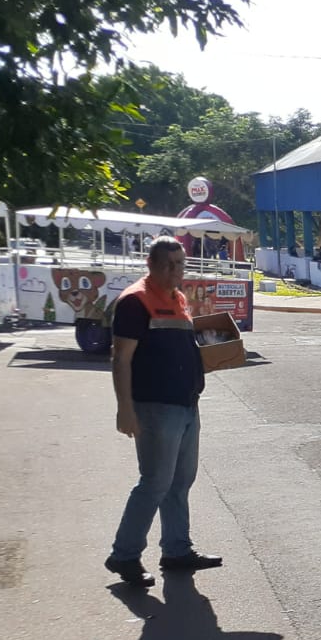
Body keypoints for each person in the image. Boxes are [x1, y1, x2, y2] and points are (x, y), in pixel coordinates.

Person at [104, 237, 221, 588]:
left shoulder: (178, 299)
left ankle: (176, 550)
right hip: (155, 407)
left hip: (186, 405)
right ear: (150, 264)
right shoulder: (135, 301)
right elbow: (121, 359)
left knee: (180, 482)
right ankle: (124, 555)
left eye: (180, 263)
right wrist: (125, 409)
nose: (175, 270)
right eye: (168, 264)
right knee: (155, 482)